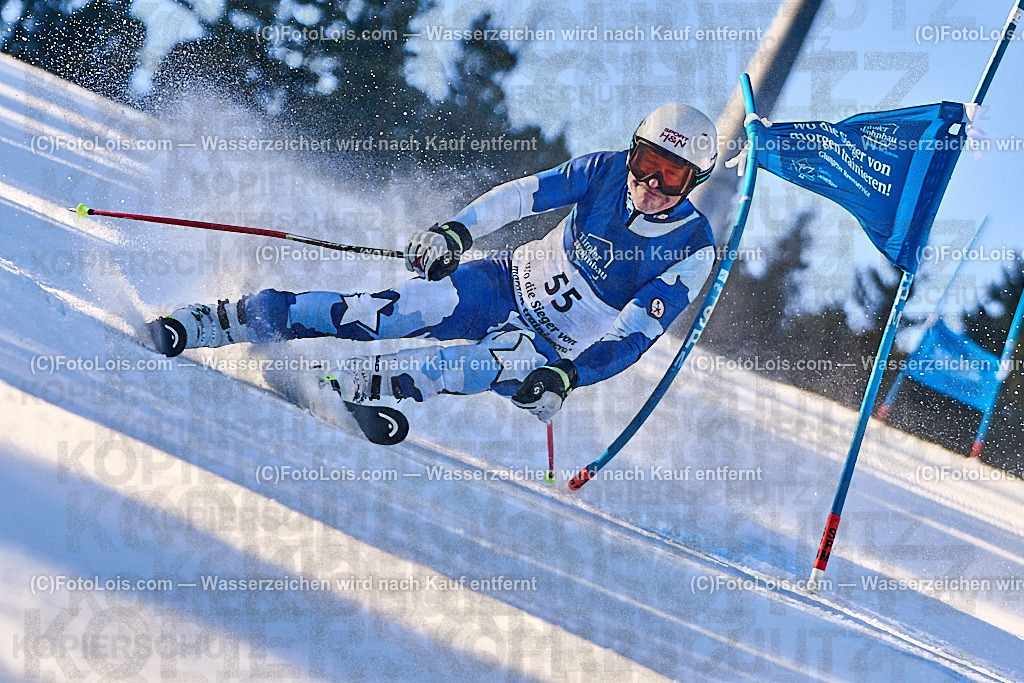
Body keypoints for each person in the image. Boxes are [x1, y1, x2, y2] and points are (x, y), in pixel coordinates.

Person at [148, 104, 719, 425]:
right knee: (382, 313)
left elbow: (632, 337)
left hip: (548, 344)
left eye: (672, 175)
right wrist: (456, 232)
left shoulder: (692, 249)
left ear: (695, 181)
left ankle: (350, 387)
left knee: (480, 364)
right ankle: (229, 318)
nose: (651, 183)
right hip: (503, 283)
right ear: (632, 150)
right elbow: (521, 197)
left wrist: (568, 376)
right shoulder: (604, 170)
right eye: (646, 161)